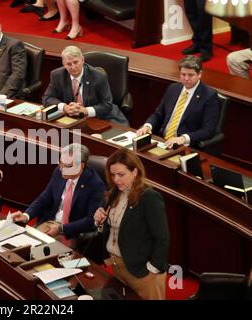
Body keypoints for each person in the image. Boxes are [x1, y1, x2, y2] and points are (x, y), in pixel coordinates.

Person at [93, 148, 170, 300]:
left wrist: (152, 269)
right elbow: (110, 228)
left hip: (142, 271)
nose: (116, 180)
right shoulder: (113, 194)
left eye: (121, 175)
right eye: (113, 175)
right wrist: (99, 221)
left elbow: (163, 238)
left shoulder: (149, 198)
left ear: (135, 172)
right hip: (117, 266)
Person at [12, 143, 106, 242]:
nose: (62, 169)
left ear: (81, 166)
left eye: (68, 166)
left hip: (73, 232)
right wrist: (26, 216)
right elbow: (44, 198)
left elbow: (91, 220)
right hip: (51, 223)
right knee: (22, 244)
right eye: (60, 163)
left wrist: (62, 229)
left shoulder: (95, 185)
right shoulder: (58, 172)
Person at [136, 55, 219, 149]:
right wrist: (148, 126)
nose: (186, 78)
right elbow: (158, 114)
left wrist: (183, 138)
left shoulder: (209, 96)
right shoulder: (173, 88)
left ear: (199, 74)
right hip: (162, 141)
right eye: (183, 74)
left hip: (183, 146)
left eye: (190, 75)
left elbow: (208, 130)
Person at [42, 46, 128, 126]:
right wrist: (64, 107)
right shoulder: (57, 75)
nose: (73, 67)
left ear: (82, 60)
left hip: (100, 117)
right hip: (72, 118)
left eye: (76, 62)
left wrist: (86, 110)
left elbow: (107, 105)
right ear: (64, 64)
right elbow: (47, 98)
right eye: (68, 64)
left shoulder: (99, 76)